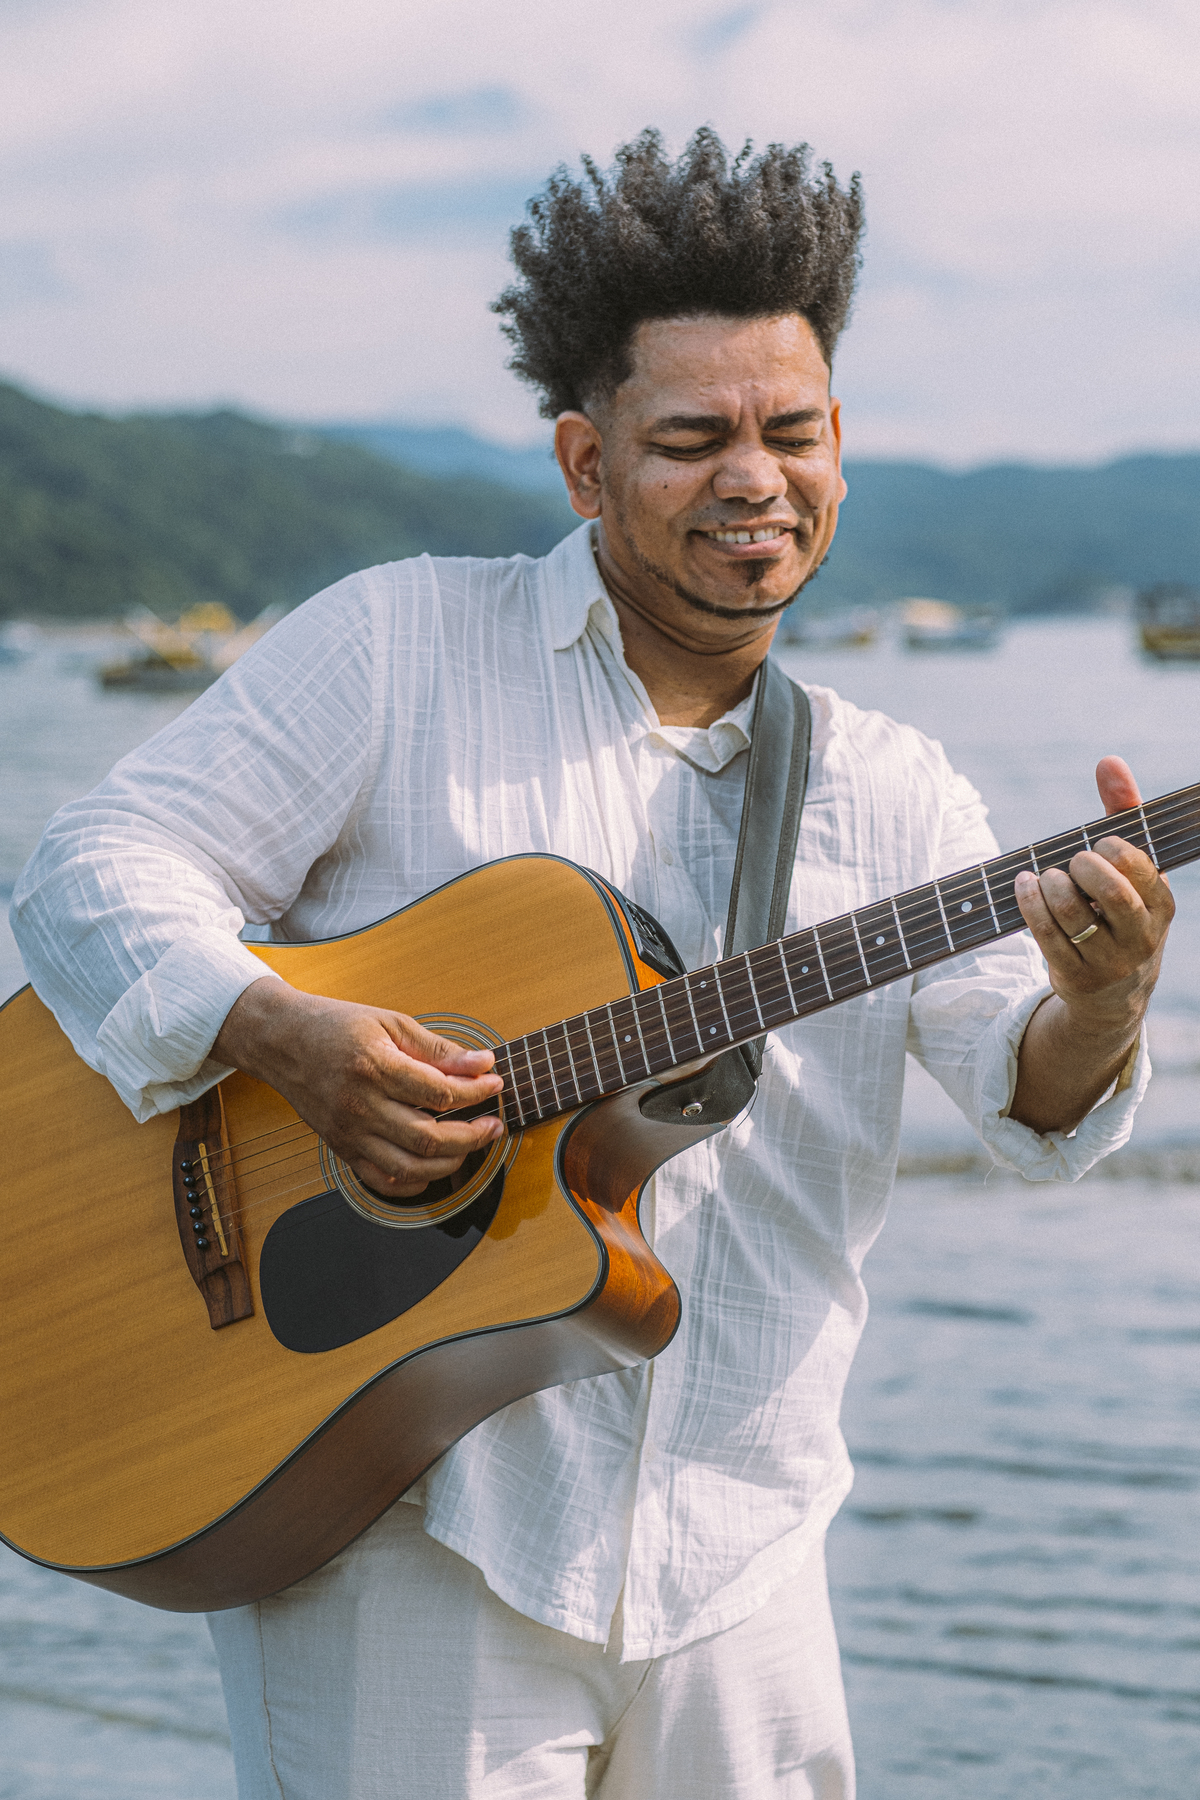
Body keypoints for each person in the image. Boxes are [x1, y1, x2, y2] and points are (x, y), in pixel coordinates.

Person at [12, 129, 1173, 1799]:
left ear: (840, 446)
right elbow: (94, 869)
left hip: (747, 1557)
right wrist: (285, 1040)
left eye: (792, 432)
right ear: (584, 461)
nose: (754, 479)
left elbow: (1028, 1098)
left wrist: (1102, 1002)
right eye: (692, 439)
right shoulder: (401, 645)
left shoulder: (897, 789)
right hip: (408, 1526)